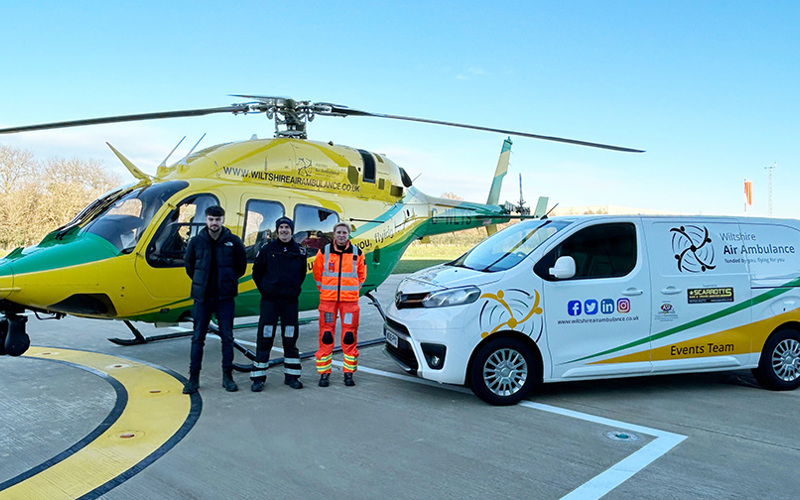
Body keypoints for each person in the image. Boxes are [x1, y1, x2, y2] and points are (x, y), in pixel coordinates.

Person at [182, 205, 247, 394]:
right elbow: (190, 267)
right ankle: (193, 378)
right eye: (211, 219)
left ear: (223, 220)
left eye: (217, 219)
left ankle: (228, 377)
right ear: (206, 220)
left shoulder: (233, 242)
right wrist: (201, 283)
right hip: (202, 299)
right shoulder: (196, 242)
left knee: (227, 338)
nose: (214, 223)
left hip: (225, 298)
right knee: (197, 338)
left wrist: (227, 282)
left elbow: (240, 267)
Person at [250, 216, 308, 392]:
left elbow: (301, 274)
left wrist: (292, 290)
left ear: (291, 230)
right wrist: (267, 290)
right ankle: (258, 378)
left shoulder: (300, 251)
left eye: (287, 228)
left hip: (290, 303)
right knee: (265, 338)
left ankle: (292, 377)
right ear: (277, 230)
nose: (284, 230)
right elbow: (256, 273)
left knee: (290, 339)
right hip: (270, 303)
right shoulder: (267, 250)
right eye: (281, 227)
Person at [312, 222, 366, 387]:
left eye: (344, 232)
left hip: (349, 303)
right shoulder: (324, 252)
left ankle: (348, 373)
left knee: (349, 337)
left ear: (348, 234)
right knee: (326, 336)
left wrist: (351, 292)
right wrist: (325, 291)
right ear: (334, 234)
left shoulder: (357, 253)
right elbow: (317, 273)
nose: (341, 235)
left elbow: (362, 276)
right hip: (328, 301)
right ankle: (324, 374)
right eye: (339, 232)